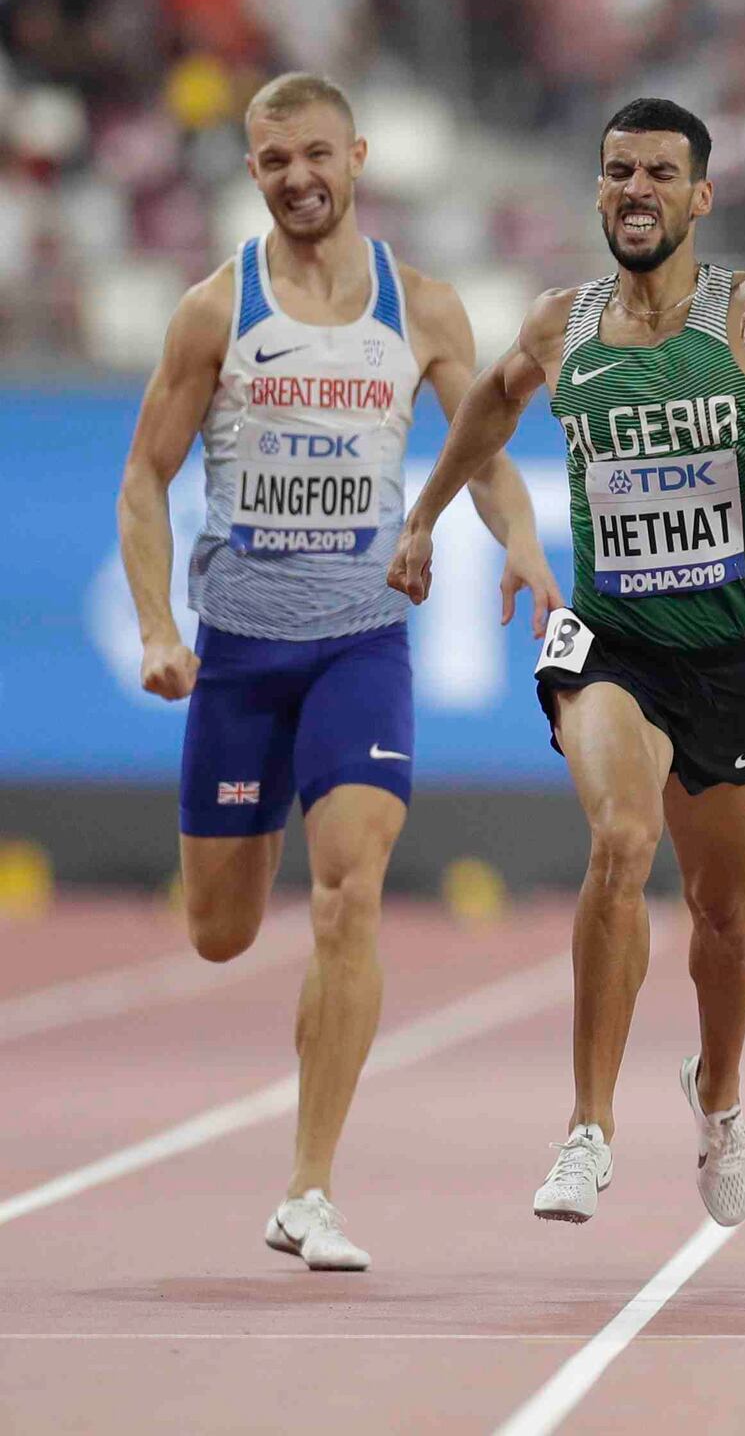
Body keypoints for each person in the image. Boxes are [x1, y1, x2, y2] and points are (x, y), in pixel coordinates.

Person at [387, 98, 745, 1228]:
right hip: (616, 647)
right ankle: (587, 1129)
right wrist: (424, 516)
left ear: (701, 196)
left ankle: (716, 1097)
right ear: (598, 191)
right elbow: (486, 410)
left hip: (732, 655)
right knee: (620, 840)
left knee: (726, 913)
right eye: (618, 172)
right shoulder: (564, 324)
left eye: (661, 172)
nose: (637, 190)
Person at [115, 72, 557, 1270]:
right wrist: (160, 628)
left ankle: (309, 1188)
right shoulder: (216, 310)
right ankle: (236, 856)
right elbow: (147, 477)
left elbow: (484, 446)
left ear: (358, 156)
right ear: (253, 173)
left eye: (318, 154)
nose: (300, 178)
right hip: (240, 654)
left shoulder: (421, 308)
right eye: (274, 162)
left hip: (363, 642)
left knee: (349, 891)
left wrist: (518, 538)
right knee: (219, 930)